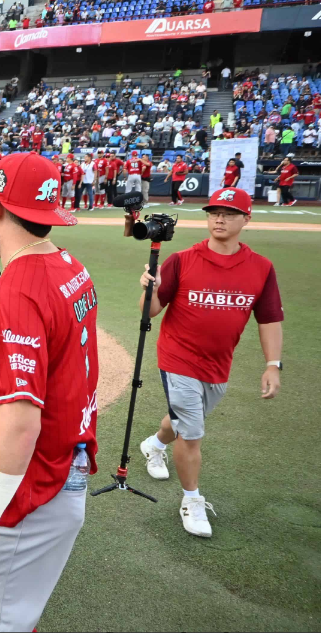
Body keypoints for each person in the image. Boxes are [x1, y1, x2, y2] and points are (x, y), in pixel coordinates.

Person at [0, 153, 98, 633]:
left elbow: (18, 423)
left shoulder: (18, 295)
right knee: (19, 614)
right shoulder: (67, 264)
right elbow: (35, 333)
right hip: (60, 467)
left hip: (28, 489)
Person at [138, 187, 283, 538]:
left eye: (230, 213)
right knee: (192, 430)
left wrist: (272, 364)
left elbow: (269, 319)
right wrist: (148, 287)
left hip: (218, 365)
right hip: (177, 357)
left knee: (187, 421)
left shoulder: (261, 268)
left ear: (246, 219)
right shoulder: (183, 260)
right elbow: (153, 311)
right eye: (214, 212)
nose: (219, 218)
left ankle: (155, 445)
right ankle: (192, 499)